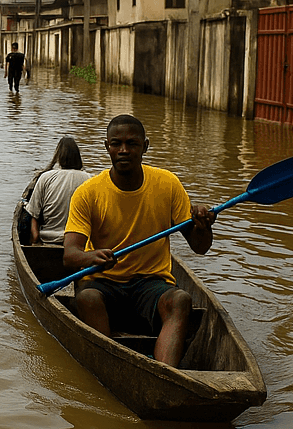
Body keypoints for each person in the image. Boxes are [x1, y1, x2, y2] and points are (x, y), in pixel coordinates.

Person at [62, 114, 215, 368]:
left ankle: (164, 373)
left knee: (181, 301)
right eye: (116, 144)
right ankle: (108, 365)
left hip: (150, 284)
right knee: (86, 298)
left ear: (145, 146)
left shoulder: (168, 184)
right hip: (103, 283)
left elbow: (200, 247)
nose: (123, 150)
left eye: (132, 144)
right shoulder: (88, 192)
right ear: (106, 147)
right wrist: (92, 256)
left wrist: (203, 225)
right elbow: (70, 255)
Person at [25, 136, 90, 245]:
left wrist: (34, 242)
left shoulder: (46, 177)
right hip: (79, 241)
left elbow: (34, 215)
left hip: (48, 239)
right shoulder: (89, 179)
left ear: (59, 156)